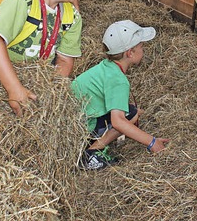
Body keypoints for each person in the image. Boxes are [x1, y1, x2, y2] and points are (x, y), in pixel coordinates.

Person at [71, 20, 170, 170]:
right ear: (130, 53)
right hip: (83, 128)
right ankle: (92, 152)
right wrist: (152, 141)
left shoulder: (106, 66)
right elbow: (118, 122)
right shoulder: (118, 80)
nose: (143, 49)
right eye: (141, 46)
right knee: (130, 115)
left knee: (129, 111)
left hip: (74, 121)